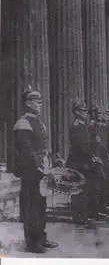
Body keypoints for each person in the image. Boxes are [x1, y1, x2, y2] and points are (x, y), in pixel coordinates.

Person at [13, 85, 58, 253]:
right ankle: (32, 243)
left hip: (41, 169)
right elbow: (26, 149)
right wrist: (38, 165)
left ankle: (41, 237)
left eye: (40, 101)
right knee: (31, 205)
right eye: (36, 101)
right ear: (28, 103)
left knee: (40, 204)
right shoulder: (23, 123)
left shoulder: (39, 122)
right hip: (30, 170)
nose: (40, 104)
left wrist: (53, 159)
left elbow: (43, 145)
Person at [66, 100, 102, 226]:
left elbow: (87, 144)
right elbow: (81, 146)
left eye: (86, 111)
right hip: (78, 162)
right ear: (76, 112)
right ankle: (79, 217)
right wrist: (92, 157)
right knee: (78, 190)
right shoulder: (76, 126)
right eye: (83, 111)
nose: (86, 113)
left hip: (84, 161)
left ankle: (84, 215)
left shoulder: (83, 125)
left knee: (86, 189)